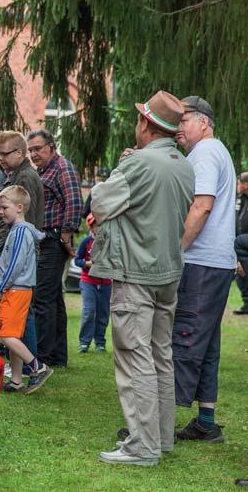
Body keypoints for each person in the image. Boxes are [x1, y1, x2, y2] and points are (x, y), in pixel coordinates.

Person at [90, 90, 194, 466]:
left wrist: (121, 168)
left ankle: (143, 447)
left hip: (136, 271)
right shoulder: (183, 164)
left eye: (138, 119)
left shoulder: (137, 164)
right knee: (160, 355)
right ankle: (161, 438)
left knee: (135, 358)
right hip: (168, 271)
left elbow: (100, 203)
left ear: (146, 125)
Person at [172, 96, 236, 444]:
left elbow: (201, 206)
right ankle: (206, 423)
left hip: (202, 262)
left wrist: (176, 250)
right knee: (207, 344)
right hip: (215, 263)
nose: (177, 128)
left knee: (185, 338)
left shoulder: (207, 153)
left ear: (203, 123)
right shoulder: (211, 151)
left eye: (183, 121)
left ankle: (160, 425)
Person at [0, 131, 45, 375]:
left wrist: (4, 256)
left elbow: (24, 227)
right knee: (9, 316)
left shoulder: (26, 178)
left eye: (4, 153)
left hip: (10, 259)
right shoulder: (3, 175)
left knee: (21, 317)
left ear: (19, 153)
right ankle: (19, 370)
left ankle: (32, 366)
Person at [0, 185, 51, 394]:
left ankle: (37, 367)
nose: (1, 212)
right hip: (20, 289)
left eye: (4, 207)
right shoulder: (21, 231)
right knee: (13, 334)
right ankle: (16, 380)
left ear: (19, 207)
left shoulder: (20, 232)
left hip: (15, 290)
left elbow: (14, 264)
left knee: (4, 334)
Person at [27, 128, 82, 368]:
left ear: (51, 146)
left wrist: (67, 234)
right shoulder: (44, 170)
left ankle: (44, 357)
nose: (33, 154)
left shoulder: (62, 167)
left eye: (37, 149)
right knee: (54, 299)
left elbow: (74, 201)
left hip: (54, 239)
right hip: (45, 239)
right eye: (30, 150)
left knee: (42, 298)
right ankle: (58, 357)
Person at [75, 214, 111, 353]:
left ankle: (100, 342)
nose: (99, 228)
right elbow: (77, 260)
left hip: (106, 283)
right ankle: (84, 342)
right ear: (91, 227)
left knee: (103, 313)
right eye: (96, 225)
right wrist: (87, 264)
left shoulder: (109, 242)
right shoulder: (86, 242)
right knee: (89, 311)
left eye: (101, 225)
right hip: (88, 282)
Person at [235, 172, 248, 314]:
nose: (238, 186)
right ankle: (247, 303)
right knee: (241, 276)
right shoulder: (239, 199)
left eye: (239, 183)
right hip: (240, 246)